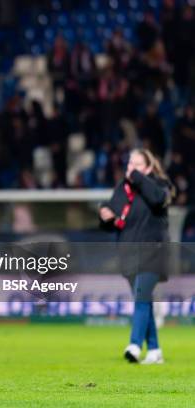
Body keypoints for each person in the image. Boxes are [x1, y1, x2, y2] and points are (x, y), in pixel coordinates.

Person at [99, 148, 174, 365]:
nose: (131, 169)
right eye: (130, 164)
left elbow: (159, 199)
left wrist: (139, 178)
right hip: (128, 253)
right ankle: (154, 350)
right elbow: (112, 219)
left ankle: (134, 345)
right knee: (144, 301)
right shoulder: (122, 189)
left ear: (149, 168)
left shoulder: (159, 185)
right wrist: (105, 215)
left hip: (153, 251)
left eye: (138, 165)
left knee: (141, 297)